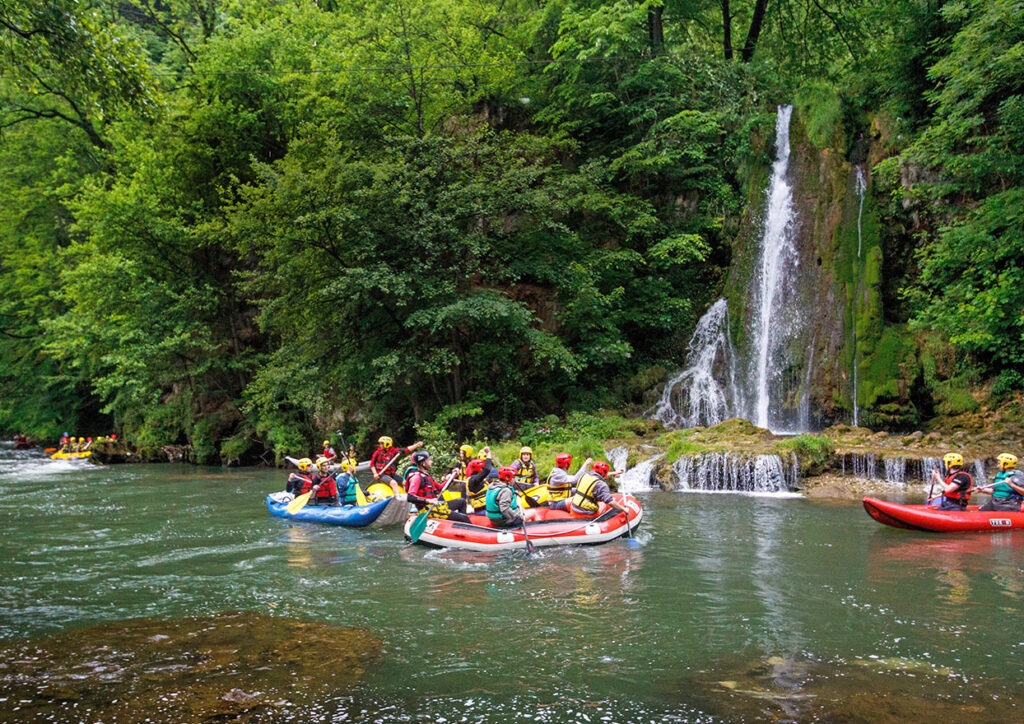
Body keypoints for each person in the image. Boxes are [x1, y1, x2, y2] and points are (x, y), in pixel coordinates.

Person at [406, 450, 469, 522]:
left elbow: (440, 488)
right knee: (464, 518)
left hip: (435, 506)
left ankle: (457, 525)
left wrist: (452, 477)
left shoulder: (427, 476)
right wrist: (428, 500)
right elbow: (410, 497)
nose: (431, 461)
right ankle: (463, 524)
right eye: (429, 460)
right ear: (423, 463)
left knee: (462, 501)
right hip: (427, 510)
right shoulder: (416, 478)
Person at [550, 461, 629, 518]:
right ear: (604, 472)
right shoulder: (602, 485)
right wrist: (624, 509)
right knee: (602, 503)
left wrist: (614, 473)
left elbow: (601, 475)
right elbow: (611, 502)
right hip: (585, 514)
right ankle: (597, 520)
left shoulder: (585, 475)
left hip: (573, 510)